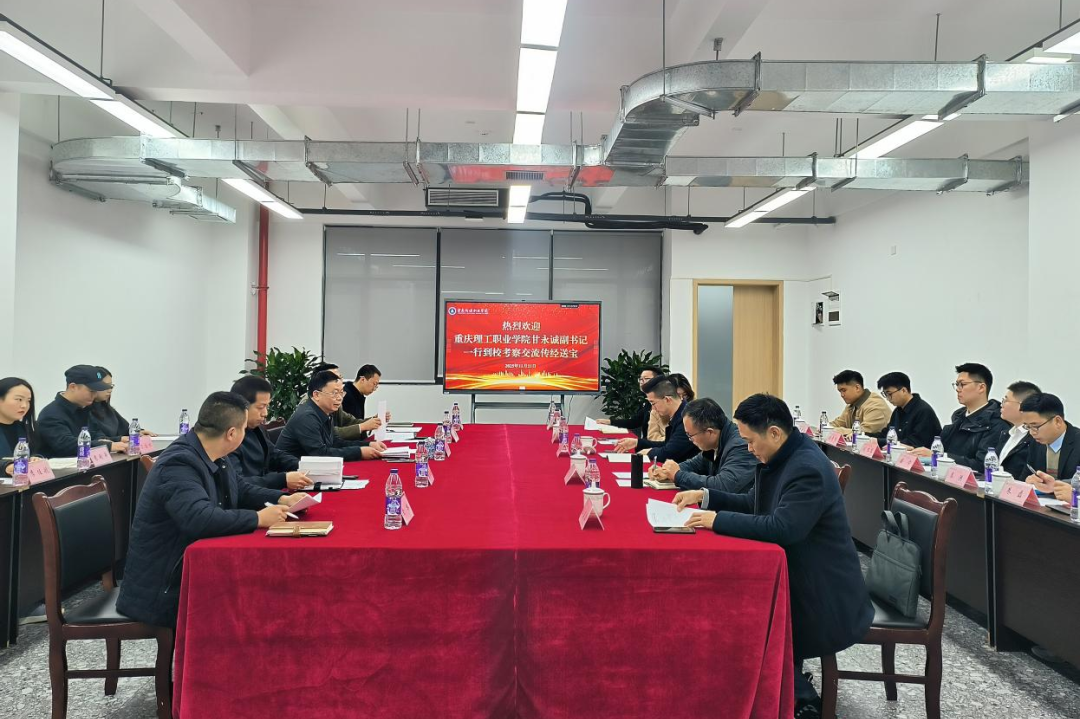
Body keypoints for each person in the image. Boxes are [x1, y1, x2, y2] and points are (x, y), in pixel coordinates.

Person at [675, 394, 873, 719]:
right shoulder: (784, 456)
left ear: (775, 433)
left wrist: (716, 520)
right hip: (798, 570)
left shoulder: (806, 468)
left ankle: (799, 697)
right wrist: (705, 496)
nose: (748, 449)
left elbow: (783, 528)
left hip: (821, 590)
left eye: (751, 441)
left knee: (744, 610)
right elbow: (754, 502)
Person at [116, 392, 308, 628]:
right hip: (165, 587)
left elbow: (241, 489)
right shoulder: (178, 463)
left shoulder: (213, 453)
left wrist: (281, 498)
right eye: (244, 429)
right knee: (257, 602)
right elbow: (199, 519)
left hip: (196, 568)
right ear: (232, 433)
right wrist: (258, 518)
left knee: (267, 591)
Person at [911, 363, 1009, 473]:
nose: (958, 389)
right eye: (957, 385)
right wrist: (917, 451)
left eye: (962, 384)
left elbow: (982, 466)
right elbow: (942, 450)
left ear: (981, 387)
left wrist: (939, 457)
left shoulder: (996, 424)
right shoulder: (958, 417)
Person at [650, 397, 756, 492]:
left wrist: (678, 475)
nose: (690, 440)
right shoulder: (716, 440)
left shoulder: (741, 446)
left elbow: (723, 486)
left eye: (690, 435)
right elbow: (695, 464)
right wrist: (667, 472)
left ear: (709, 432)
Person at [227, 376, 312, 491]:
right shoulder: (228, 438)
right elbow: (238, 484)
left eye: (267, 406)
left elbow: (275, 455)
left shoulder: (257, 428)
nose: (265, 413)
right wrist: (282, 479)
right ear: (241, 406)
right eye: (260, 407)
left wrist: (305, 466)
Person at [277, 370, 386, 461]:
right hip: (291, 473)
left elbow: (336, 442)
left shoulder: (326, 411)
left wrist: (368, 445)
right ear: (316, 395)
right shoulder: (306, 417)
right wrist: (359, 452)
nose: (339, 398)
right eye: (334, 393)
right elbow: (320, 454)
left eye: (341, 392)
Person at [37, 365, 128, 457]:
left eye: (96, 391)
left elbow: (95, 433)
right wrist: (108, 446)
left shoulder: (84, 408)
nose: (94, 395)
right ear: (73, 387)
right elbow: (66, 445)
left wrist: (114, 441)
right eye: (91, 391)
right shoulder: (50, 414)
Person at [614, 375, 698, 463]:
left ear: (667, 400)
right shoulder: (680, 412)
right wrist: (637, 443)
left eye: (653, 403)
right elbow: (667, 444)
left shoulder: (687, 418)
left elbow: (669, 453)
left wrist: (649, 452)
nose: (653, 408)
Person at [1022, 393, 1080, 503]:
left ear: (1057, 421)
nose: (1032, 432)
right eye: (1027, 427)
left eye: (1035, 426)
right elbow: (1026, 475)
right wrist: (1030, 481)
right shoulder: (1036, 442)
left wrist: (1060, 487)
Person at [297, 363, 379, 440]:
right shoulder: (307, 406)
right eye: (334, 378)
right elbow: (327, 434)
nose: (339, 381)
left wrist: (375, 420)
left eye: (340, 378)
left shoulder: (334, 401)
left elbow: (350, 421)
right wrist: (362, 427)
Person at [869, 372, 942, 450]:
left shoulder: (924, 411)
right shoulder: (897, 410)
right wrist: (866, 437)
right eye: (885, 394)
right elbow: (887, 434)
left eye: (889, 394)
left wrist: (878, 441)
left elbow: (913, 442)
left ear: (903, 390)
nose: (887, 398)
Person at [88, 367, 155, 440]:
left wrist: (137, 432)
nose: (110, 390)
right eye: (105, 386)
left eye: (111, 386)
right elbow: (96, 439)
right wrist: (120, 439)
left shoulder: (106, 408)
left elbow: (124, 429)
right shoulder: (85, 411)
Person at [595, 365, 661, 437]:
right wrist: (609, 422)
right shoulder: (648, 402)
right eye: (640, 379)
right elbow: (635, 422)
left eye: (646, 379)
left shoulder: (662, 403)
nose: (642, 382)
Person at [996, 381, 1041, 480]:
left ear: (1022, 405)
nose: (1001, 404)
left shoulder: (1035, 439)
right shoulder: (1006, 433)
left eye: (1005, 400)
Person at [0, 377, 44, 477]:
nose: (24, 405)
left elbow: (35, 452)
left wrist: (35, 458)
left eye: (28, 401)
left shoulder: (26, 429)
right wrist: (6, 467)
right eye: (19, 399)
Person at [828, 369, 890, 438]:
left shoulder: (875, 406)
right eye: (840, 391)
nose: (842, 395)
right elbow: (839, 423)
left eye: (844, 390)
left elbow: (863, 432)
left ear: (857, 388)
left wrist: (836, 430)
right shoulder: (851, 405)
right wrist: (825, 428)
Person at [647, 373, 696, 442]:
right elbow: (652, 437)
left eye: (685, 395)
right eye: (678, 395)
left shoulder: (694, 412)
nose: (681, 399)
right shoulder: (656, 412)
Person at [342, 364, 388, 434]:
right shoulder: (346, 396)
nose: (374, 389)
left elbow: (356, 422)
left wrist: (374, 419)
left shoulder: (358, 395)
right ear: (362, 379)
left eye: (376, 386)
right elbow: (348, 425)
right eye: (374, 384)